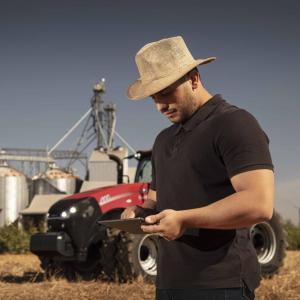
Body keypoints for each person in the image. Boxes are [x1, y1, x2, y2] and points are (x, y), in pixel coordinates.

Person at [122, 36, 274, 300]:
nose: (160, 106)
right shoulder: (163, 140)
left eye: (167, 93)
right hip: (169, 282)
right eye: (154, 97)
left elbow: (258, 203)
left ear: (194, 79)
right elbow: (156, 200)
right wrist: (140, 213)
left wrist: (184, 219)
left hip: (220, 284)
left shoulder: (234, 124)